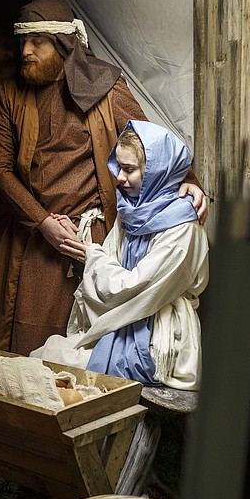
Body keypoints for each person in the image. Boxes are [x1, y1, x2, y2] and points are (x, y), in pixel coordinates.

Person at [0, 0, 209, 356]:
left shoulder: (103, 85)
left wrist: (188, 178)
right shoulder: (8, 94)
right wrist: (42, 223)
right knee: (26, 341)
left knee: (88, 343)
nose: (26, 51)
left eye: (38, 41)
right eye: (23, 41)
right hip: (33, 235)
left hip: (92, 237)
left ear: (64, 43)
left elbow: (147, 139)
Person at [31, 121, 208, 390]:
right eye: (120, 168)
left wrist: (89, 254)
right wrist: (79, 241)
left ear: (156, 172)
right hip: (126, 319)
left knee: (50, 360)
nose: (120, 178)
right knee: (44, 356)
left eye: (129, 169)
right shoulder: (133, 211)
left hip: (158, 337)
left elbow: (134, 287)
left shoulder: (182, 228)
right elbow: (111, 261)